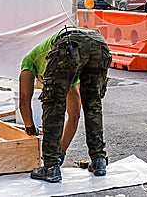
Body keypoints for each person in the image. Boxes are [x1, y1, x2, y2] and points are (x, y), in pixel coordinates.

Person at [20, 26, 112, 183]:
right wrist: (61, 151)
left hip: (71, 44)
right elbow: (74, 115)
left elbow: (23, 99)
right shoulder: (70, 67)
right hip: (98, 44)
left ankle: (50, 168)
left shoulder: (30, 60)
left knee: (53, 104)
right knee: (93, 104)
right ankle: (99, 160)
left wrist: (29, 128)